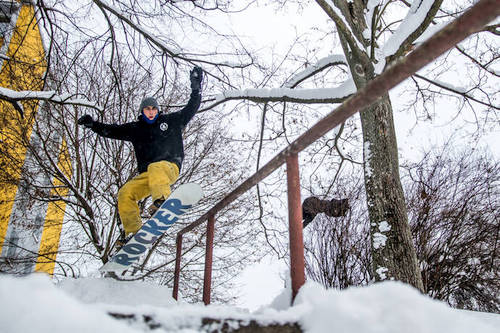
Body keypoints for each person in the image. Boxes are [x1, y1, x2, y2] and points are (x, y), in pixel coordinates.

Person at [78, 66, 203, 243]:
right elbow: (112, 130)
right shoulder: (135, 129)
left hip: (169, 167)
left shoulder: (171, 121)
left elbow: (191, 108)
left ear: (157, 110)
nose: (151, 112)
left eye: (154, 109)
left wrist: (196, 89)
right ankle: (133, 233)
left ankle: (163, 201)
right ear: (142, 112)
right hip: (148, 177)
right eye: (147, 109)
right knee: (125, 192)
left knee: (156, 167)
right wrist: (94, 125)